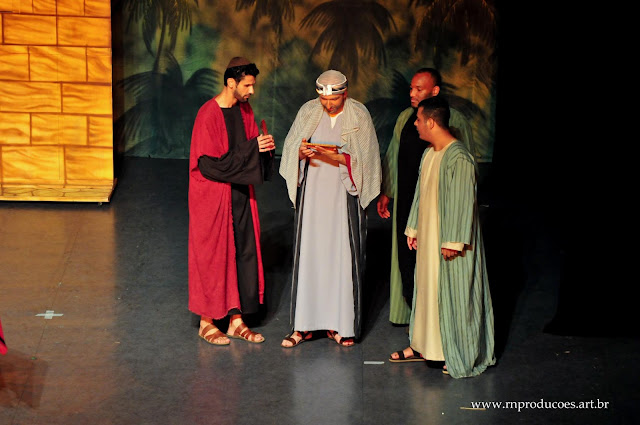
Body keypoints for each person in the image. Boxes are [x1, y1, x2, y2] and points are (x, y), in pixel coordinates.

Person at [388, 96, 495, 378]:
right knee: (426, 291)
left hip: (448, 243)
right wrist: (414, 228)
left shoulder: (458, 158)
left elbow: (463, 202)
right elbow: (420, 195)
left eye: (419, 119)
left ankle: (455, 351)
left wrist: (453, 242)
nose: (416, 124)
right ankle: (422, 345)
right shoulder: (429, 154)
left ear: (432, 123)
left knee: (453, 296)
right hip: (428, 240)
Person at [279, 70, 381, 348]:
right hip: (313, 194)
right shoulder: (308, 111)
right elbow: (291, 147)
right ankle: (303, 325)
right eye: (324, 100)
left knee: (341, 256)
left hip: (342, 195)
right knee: (310, 255)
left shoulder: (358, 115)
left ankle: (341, 325)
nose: (328, 104)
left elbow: (368, 159)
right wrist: (300, 154)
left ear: (344, 94)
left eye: (333, 100)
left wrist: (337, 156)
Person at [377, 68, 476, 325]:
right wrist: (387, 191)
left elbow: (465, 166)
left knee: (431, 259)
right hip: (408, 197)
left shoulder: (454, 121)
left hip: (436, 203)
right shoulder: (405, 118)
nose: (412, 93)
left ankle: (435, 320)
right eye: (411, 88)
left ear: (435, 91)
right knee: (406, 255)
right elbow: (394, 155)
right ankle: (409, 314)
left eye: (419, 89)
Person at [188, 57, 275, 346]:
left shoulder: (245, 111)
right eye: (247, 85)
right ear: (231, 83)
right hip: (214, 197)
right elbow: (209, 165)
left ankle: (236, 320)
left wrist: (263, 149)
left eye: (253, 85)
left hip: (240, 194)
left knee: (242, 252)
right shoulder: (208, 114)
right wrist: (252, 148)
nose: (252, 91)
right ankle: (207, 321)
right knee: (213, 256)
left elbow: (248, 151)